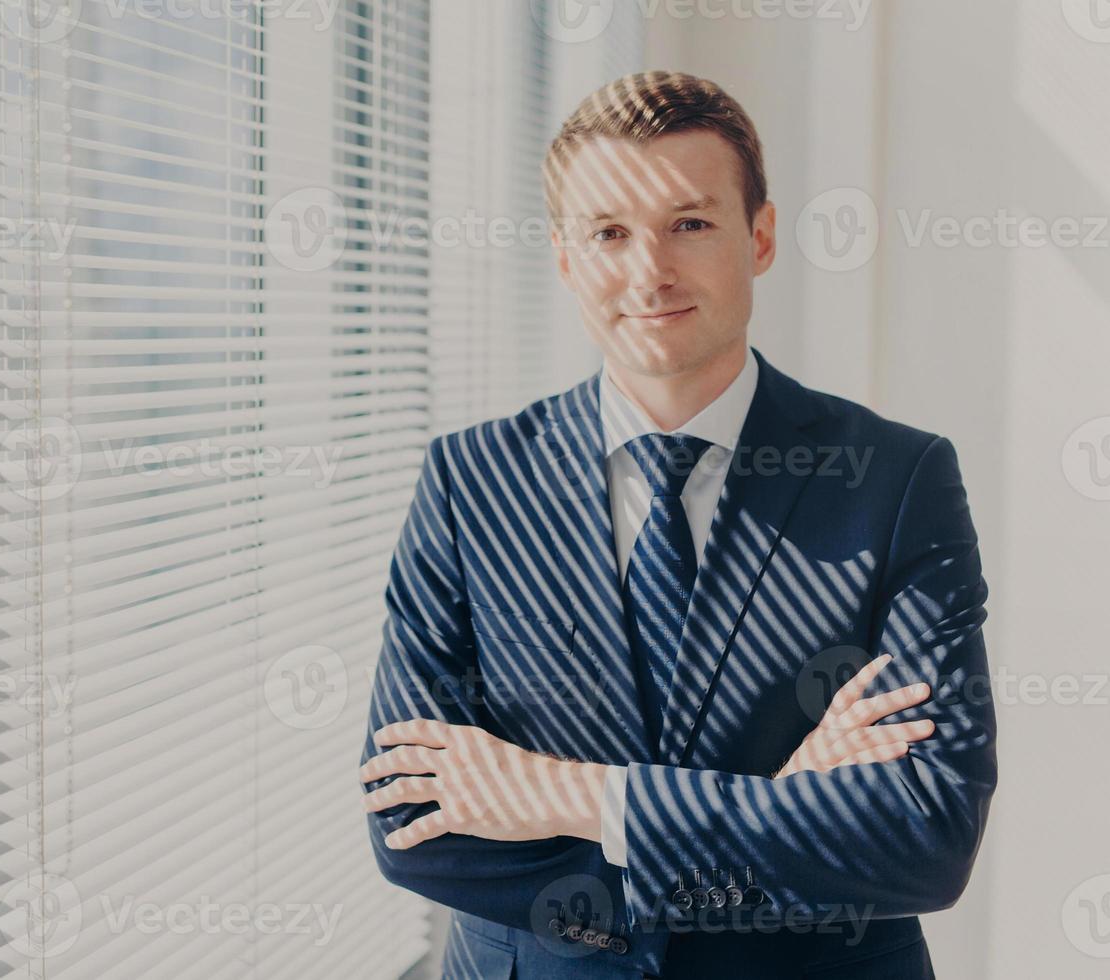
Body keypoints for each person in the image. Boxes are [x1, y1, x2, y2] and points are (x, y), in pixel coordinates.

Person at [357, 70, 996, 979]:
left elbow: (926, 832)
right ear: (566, 257)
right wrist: (777, 808)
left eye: (689, 224)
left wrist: (576, 795)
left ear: (761, 236)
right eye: (609, 233)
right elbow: (412, 826)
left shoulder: (895, 479)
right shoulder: (471, 483)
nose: (649, 271)